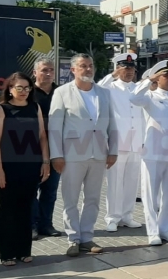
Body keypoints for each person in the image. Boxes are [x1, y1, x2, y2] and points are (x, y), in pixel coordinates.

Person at [48, 53, 118, 257]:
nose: (88, 69)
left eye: (90, 65)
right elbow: (54, 127)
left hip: (98, 154)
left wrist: (112, 150)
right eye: (83, 66)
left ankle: (87, 237)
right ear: (73, 70)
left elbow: (112, 124)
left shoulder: (104, 93)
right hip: (72, 155)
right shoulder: (62, 92)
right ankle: (73, 239)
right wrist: (56, 155)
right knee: (70, 199)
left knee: (93, 198)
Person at [0, 72, 50, 266]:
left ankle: (24, 250)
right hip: (8, 167)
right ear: (10, 89)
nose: (24, 91)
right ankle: (6, 253)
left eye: (27, 88)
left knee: (26, 209)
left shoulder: (35, 107)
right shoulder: (3, 109)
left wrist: (45, 162)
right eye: (19, 88)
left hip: (31, 167)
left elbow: (42, 137)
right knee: (8, 210)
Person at [130, 60, 168, 245]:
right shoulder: (149, 96)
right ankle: (152, 232)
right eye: (166, 75)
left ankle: (166, 229)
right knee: (150, 195)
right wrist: (149, 79)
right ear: (157, 77)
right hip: (153, 152)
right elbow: (133, 97)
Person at [97, 53, 144, 232]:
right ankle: (112, 217)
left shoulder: (138, 88)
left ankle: (127, 215)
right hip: (117, 143)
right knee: (114, 182)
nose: (130, 71)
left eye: (132, 68)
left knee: (132, 181)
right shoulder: (110, 88)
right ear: (117, 68)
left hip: (136, 142)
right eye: (126, 68)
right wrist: (113, 75)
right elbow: (98, 88)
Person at [31, 58, 62, 240]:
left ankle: (46, 224)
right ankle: (32, 225)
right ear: (35, 72)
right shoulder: (28, 92)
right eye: (44, 70)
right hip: (32, 149)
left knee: (50, 190)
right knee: (32, 190)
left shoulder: (61, 92)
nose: (48, 73)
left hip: (56, 148)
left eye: (51, 70)